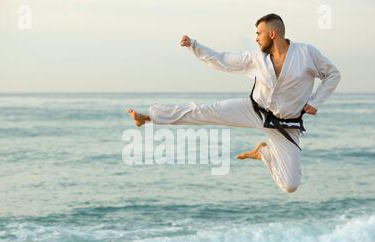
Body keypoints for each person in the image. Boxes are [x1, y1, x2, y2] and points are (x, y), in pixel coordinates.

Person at [128, 13, 341, 193]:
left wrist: (316, 101)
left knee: (290, 186)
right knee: (203, 112)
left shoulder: (306, 53)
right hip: (254, 110)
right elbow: (222, 60)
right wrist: (194, 46)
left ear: (272, 34)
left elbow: (332, 74)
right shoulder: (257, 58)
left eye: (259, 33)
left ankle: (263, 153)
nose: (256, 38)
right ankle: (148, 117)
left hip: (284, 125)